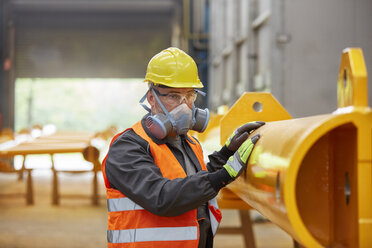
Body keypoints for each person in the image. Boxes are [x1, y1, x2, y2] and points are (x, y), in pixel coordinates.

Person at [101, 47, 264, 248]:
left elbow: (192, 183)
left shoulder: (189, 142)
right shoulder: (127, 148)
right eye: (173, 96)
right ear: (151, 98)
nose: (185, 106)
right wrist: (224, 176)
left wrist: (226, 153)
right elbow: (162, 197)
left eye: (189, 95)